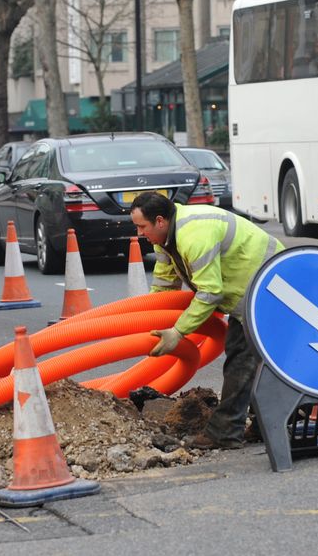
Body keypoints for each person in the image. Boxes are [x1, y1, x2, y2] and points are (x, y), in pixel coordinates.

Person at [130, 191, 283, 449]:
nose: (139, 233)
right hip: (252, 291)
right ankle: (265, 424)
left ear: (159, 221)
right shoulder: (165, 239)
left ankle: (225, 433)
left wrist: (178, 332)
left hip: (270, 287)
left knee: (241, 361)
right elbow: (164, 285)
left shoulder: (194, 235)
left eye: (141, 226)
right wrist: (149, 324)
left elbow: (210, 292)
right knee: (251, 360)